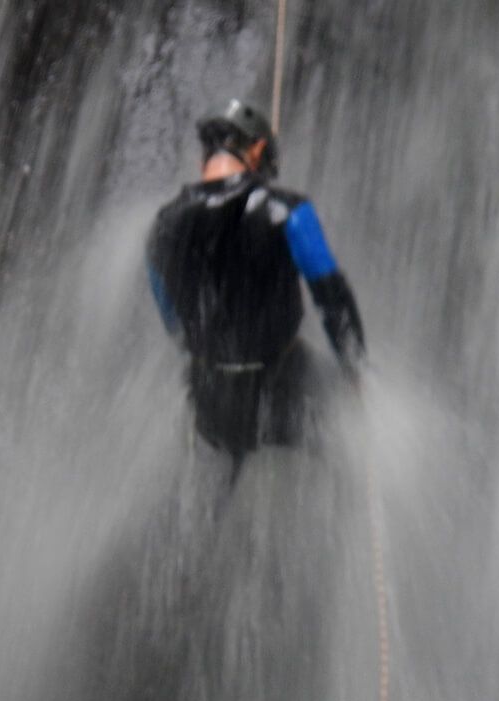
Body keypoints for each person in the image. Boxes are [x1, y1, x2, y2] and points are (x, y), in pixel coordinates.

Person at [146, 99, 365, 475]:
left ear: (207, 157)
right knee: (347, 436)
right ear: (258, 149)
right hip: (283, 390)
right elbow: (331, 295)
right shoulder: (288, 212)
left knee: (209, 464)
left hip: (213, 404)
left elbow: (173, 322)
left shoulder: (163, 225)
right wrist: (354, 370)